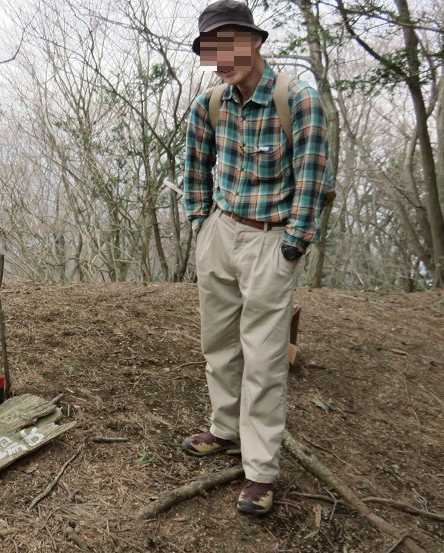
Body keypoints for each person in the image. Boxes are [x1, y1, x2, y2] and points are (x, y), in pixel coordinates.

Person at [182, 0, 332, 515]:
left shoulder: (298, 99)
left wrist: (294, 242)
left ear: (255, 42)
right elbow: (195, 168)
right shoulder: (210, 105)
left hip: (272, 239)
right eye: (211, 50)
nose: (223, 58)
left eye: (231, 43)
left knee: (265, 359)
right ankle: (225, 429)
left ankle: (261, 471)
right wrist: (201, 225)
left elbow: (314, 179)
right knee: (218, 343)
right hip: (222, 232)